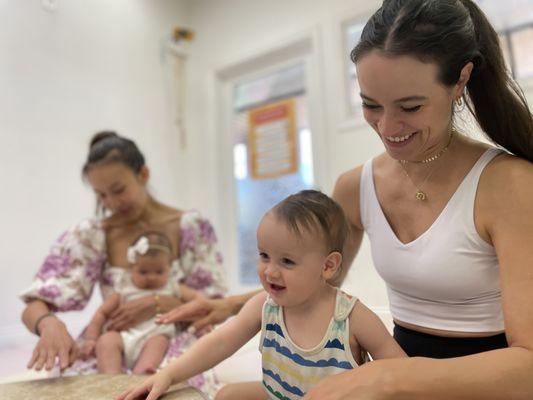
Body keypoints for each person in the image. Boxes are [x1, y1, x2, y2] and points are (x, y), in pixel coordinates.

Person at [158, 1, 533, 398]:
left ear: (460, 81)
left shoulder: (509, 185)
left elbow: (527, 367)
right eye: (371, 105)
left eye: (410, 107)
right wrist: (229, 307)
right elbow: (311, 274)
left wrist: (385, 378)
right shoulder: (357, 187)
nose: (387, 128)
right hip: (393, 373)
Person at [116, 190, 406, 400]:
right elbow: (220, 341)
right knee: (226, 395)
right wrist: (168, 374)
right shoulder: (265, 306)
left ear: (328, 266)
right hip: (278, 394)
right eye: (264, 256)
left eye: (287, 261)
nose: (270, 271)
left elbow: (404, 373)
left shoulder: (351, 318)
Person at [20, 131, 226, 396]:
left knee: (176, 389)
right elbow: (34, 304)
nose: (112, 203)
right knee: (77, 388)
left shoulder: (190, 227)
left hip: (169, 339)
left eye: (118, 190)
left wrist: (161, 303)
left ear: (143, 175)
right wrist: (49, 324)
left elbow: (216, 306)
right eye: (101, 196)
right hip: (112, 345)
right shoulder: (91, 235)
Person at [79, 231, 200, 374]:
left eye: (159, 271)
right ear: (131, 269)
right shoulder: (124, 289)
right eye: (143, 272)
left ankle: (142, 375)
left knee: (159, 343)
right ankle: (110, 378)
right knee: (106, 341)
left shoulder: (172, 287)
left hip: (155, 335)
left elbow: (199, 302)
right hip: (125, 336)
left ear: (169, 269)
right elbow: (102, 313)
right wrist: (91, 339)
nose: (151, 277)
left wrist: (201, 322)